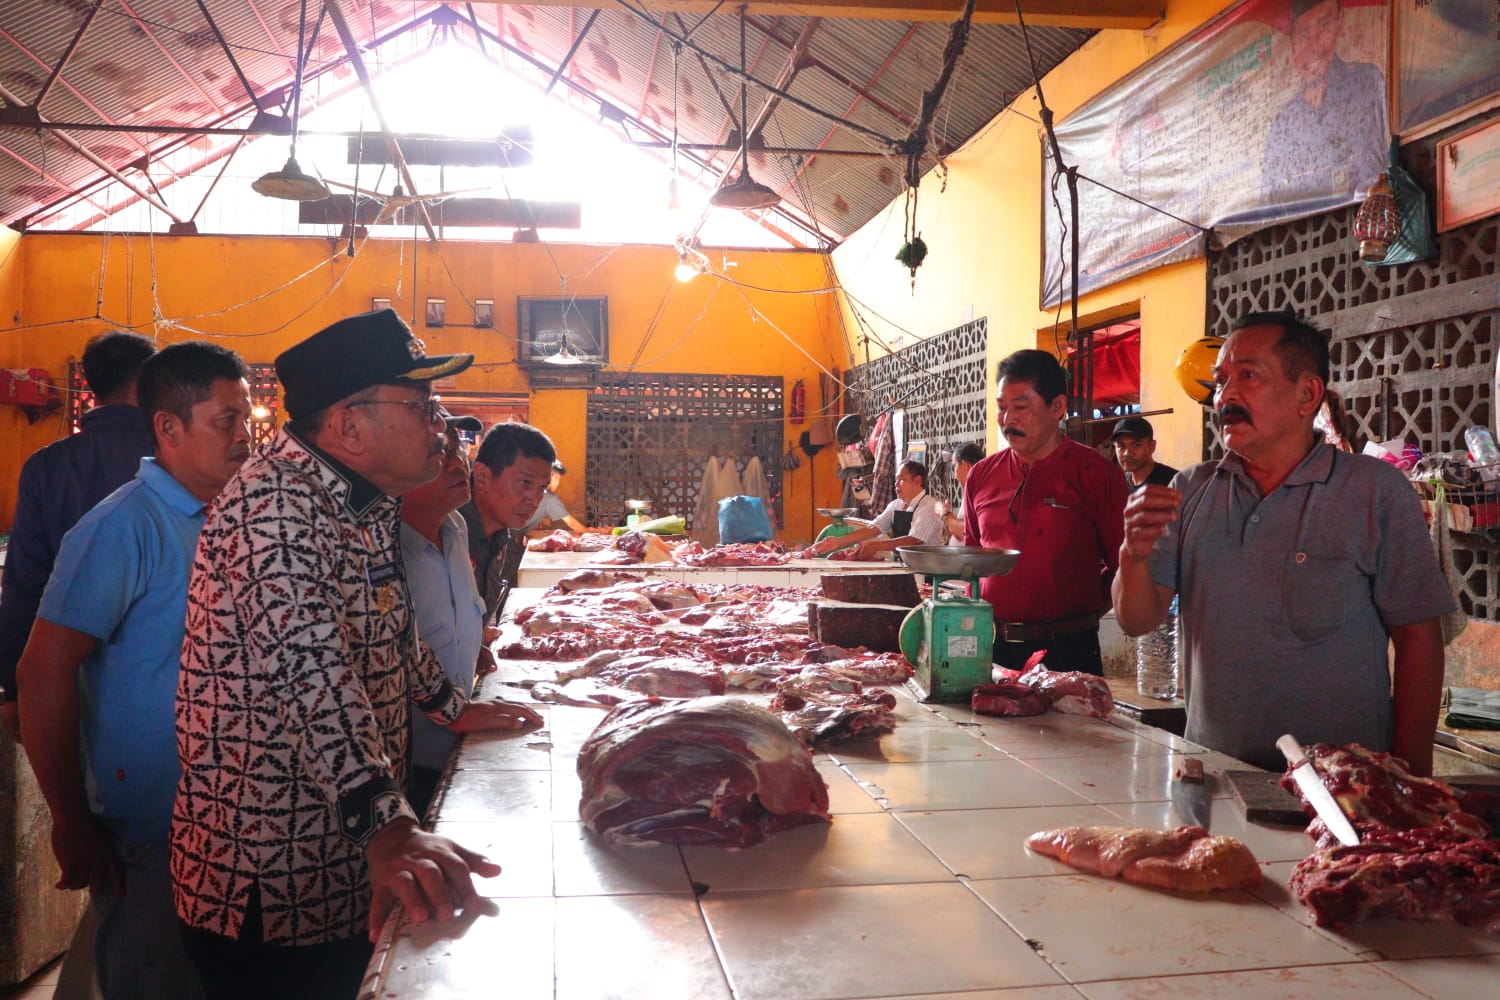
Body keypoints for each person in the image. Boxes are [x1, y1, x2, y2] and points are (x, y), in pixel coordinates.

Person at [170, 309, 542, 1000]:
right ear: (349, 426)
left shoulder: (363, 503)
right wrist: (389, 826)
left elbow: (392, 624)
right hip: (270, 879)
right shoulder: (275, 504)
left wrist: (449, 706)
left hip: (345, 861)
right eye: (422, 406)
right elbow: (310, 673)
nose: (442, 427)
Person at [1113, 312, 1453, 774]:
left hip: (1341, 785)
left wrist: (1410, 775)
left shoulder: (1374, 491)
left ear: (1307, 394)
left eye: (1248, 376)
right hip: (1212, 776)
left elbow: (1418, 639)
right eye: (1221, 380)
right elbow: (1136, 620)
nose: (1225, 396)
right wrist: (1132, 556)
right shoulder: (1190, 490)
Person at [18, 341, 253, 1000]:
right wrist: (70, 819)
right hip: (155, 829)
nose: (245, 436)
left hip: (232, 819)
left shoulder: (230, 519)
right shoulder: (124, 526)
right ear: (169, 428)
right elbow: (43, 672)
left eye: (247, 418)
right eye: (227, 421)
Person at [0, 330, 155, 742]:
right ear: (146, 381)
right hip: (160, 675)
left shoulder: (46, 466)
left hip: (65, 671)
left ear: (89, 383)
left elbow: (24, 584)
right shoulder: (172, 457)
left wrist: (15, 688)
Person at [964, 349, 1129, 675]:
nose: (1007, 419)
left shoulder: (1097, 475)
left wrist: (1078, 611)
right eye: (1001, 407)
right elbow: (970, 561)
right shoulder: (981, 475)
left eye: (1020, 407)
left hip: (1069, 651)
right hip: (990, 647)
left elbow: (1124, 567)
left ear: (1058, 407)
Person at [400, 410, 489, 817]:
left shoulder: (455, 527)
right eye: (440, 452)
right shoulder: (383, 548)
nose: (458, 464)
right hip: (409, 763)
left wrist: (469, 644)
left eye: (459, 449)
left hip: (460, 744)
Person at [1259, 0, 1386, 213]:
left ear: (1338, 24)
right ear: (1292, 47)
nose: (1315, 47)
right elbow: (1268, 208)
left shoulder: (1366, 84)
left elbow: (1386, 170)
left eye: (1324, 26)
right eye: (1304, 36)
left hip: (1367, 225)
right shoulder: (1283, 125)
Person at [462, 421, 558, 624]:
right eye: (525, 483)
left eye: (541, 488)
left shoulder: (499, 535)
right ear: (482, 477)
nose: (534, 499)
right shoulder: (448, 535)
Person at [805, 460, 945, 561]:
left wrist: (876, 545)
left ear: (917, 481)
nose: (896, 485)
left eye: (901, 480)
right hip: (900, 566)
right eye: (896, 480)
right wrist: (839, 542)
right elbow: (874, 528)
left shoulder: (929, 506)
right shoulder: (896, 505)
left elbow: (914, 540)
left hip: (925, 571)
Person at [1110, 416, 1178, 491]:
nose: (1127, 453)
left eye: (1136, 445)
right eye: (1121, 446)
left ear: (1152, 446)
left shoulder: (1174, 482)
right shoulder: (1119, 484)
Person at [937, 442, 985, 543]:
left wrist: (945, 514)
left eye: (955, 466)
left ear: (965, 465)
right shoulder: (971, 489)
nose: (955, 475)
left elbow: (968, 532)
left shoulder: (981, 492)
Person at [522, 460, 586, 535]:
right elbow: (571, 523)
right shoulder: (549, 497)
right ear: (551, 475)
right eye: (558, 478)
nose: (558, 483)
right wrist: (590, 533)